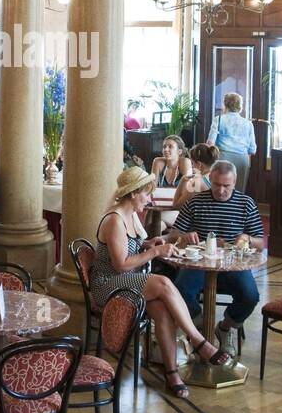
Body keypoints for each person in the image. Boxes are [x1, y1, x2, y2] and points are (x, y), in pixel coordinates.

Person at [92, 165, 230, 400]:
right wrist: (156, 253)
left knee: (162, 310)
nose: (150, 198)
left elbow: (131, 248)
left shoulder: (131, 214)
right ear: (134, 194)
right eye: (146, 193)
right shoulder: (115, 219)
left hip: (127, 281)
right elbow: (121, 265)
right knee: (164, 283)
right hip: (110, 284)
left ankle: (171, 372)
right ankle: (198, 341)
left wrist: (149, 244)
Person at [166, 160, 265, 355]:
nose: (220, 190)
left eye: (226, 186)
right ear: (210, 179)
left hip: (232, 264)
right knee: (180, 291)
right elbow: (173, 233)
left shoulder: (246, 203)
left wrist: (247, 238)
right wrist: (183, 236)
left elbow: (260, 243)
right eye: (217, 185)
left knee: (250, 296)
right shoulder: (196, 201)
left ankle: (225, 327)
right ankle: (200, 326)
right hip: (198, 263)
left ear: (235, 182)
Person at [207, 92, 257, 197]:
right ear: (240, 106)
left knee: (219, 190)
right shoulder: (248, 124)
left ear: (225, 105)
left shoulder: (218, 119)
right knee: (238, 191)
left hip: (223, 156)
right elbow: (252, 150)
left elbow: (210, 143)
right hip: (242, 159)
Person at [172, 142, 220, 210]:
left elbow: (176, 205)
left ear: (199, 164)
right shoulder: (219, 175)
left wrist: (182, 180)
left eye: (192, 163)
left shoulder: (197, 182)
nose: (192, 166)